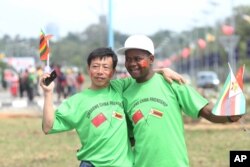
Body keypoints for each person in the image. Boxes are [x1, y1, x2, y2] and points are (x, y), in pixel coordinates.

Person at [39, 47, 184, 167]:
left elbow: (142, 74)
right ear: (88, 69)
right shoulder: (77, 101)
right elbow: (47, 127)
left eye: (105, 67)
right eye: (95, 67)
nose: (100, 72)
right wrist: (48, 93)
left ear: (113, 72)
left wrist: (162, 70)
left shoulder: (120, 87)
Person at [116, 34, 242, 167]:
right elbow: (129, 138)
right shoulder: (126, 94)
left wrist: (229, 116)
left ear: (151, 59)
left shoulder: (172, 83)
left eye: (137, 59)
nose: (131, 64)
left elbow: (207, 112)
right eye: (128, 59)